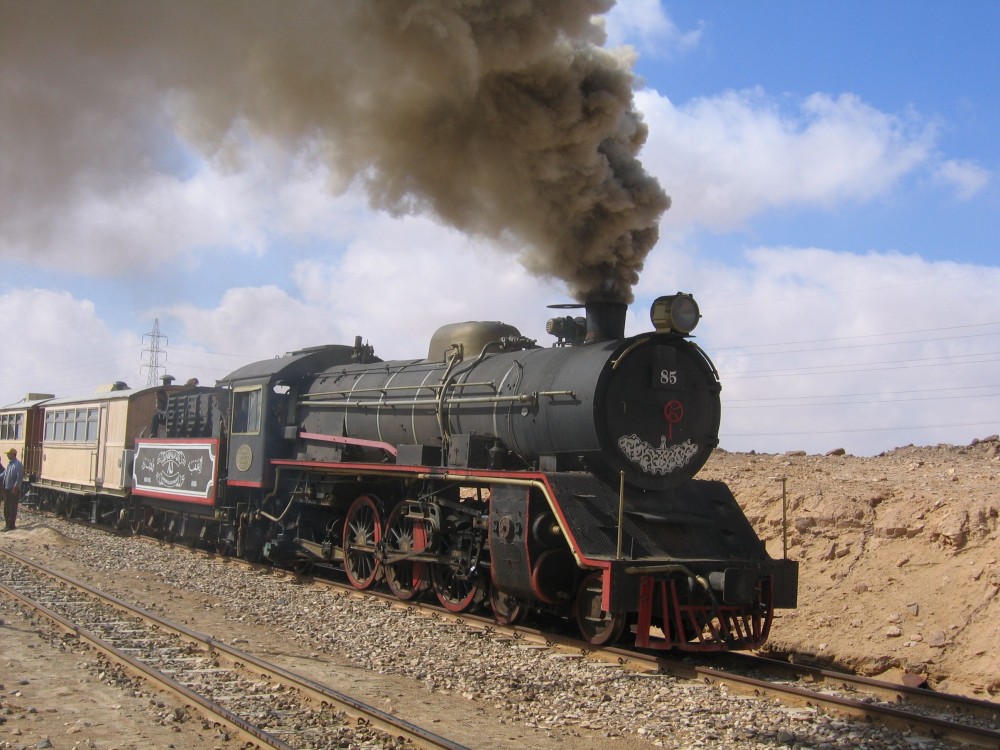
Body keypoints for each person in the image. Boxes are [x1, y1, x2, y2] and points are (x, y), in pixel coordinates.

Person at [2, 447, 23, 531]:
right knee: (6, 508)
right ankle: (7, 524)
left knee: (12, 508)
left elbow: (19, 477)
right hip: (6, 489)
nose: (7, 455)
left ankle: (11, 525)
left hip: (13, 490)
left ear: (13, 454)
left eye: (8, 454)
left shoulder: (18, 464)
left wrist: (16, 486)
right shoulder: (9, 464)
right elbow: (4, 474)